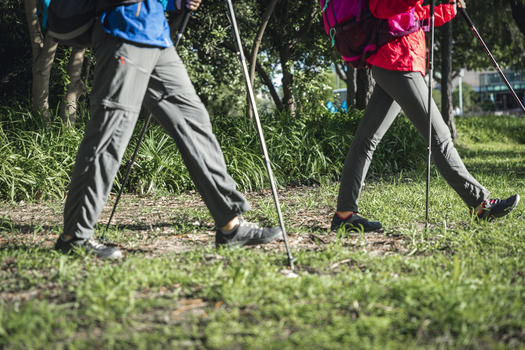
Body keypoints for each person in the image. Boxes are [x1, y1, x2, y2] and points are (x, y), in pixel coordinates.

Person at [55, 0, 282, 259]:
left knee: (193, 122)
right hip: (125, 29)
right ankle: (75, 235)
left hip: (157, 36)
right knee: (110, 133)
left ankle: (230, 225)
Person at [330, 0, 520, 232]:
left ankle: (345, 213)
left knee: (366, 140)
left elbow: (416, 16)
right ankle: (480, 204)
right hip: (397, 60)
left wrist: (450, 8)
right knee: (439, 136)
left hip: (396, 59)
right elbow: (381, 7)